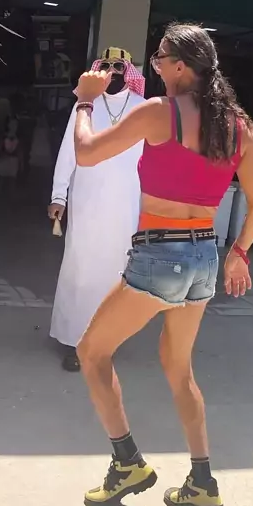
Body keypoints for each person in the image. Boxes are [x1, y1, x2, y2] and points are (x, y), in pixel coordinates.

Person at [74, 24, 253, 506]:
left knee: (91, 353)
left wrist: (85, 101)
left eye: (160, 57)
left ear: (181, 66)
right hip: (205, 257)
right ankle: (202, 482)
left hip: (160, 255)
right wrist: (239, 252)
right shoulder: (238, 128)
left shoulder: (160, 112)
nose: (155, 64)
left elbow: (86, 153)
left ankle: (127, 463)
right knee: (179, 370)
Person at [48, 47, 145, 371]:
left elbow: (153, 163)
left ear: (128, 71)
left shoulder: (143, 108)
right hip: (87, 204)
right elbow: (68, 150)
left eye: (119, 66)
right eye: (107, 66)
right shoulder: (84, 106)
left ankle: (104, 342)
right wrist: (59, 195)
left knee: (116, 276)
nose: (112, 72)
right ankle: (74, 341)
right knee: (81, 272)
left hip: (126, 208)